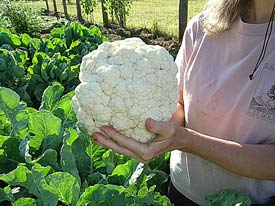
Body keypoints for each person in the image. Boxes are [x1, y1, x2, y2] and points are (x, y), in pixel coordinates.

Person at [92, 0, 275, 205]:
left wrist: (187, 141)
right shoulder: (203, 26)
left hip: (253, 201)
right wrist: (147, 129)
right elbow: (178, 103)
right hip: (183, 190)